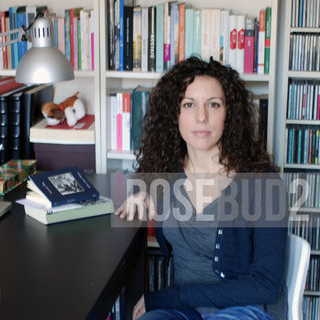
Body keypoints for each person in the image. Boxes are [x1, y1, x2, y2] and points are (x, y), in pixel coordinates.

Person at [115, 57, 288, 320]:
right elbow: (144, 190)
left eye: (214, 104)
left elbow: (265, 285)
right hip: (182, 311)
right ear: (174, 114)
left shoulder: (264, 183)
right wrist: (142, 191)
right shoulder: (165, 172)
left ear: (230, 113)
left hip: (244, 310)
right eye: (189, 104)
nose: (201, 117)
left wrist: (171, 296)